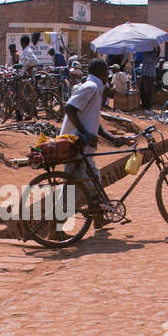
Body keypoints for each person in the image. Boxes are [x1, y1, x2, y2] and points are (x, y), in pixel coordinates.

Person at [59, 58, 135, 227]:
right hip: (76, 146)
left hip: (85, 149)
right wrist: (85, 133)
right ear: (102, 73)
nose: (108, 77)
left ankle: (98, 218)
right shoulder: (91, 87)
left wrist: (112, 138)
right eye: (106, 73)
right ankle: (55, 227)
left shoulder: (94, 90)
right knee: (72, 189)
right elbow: (70, 109)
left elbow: (94, 123)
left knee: (95, 181)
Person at [138, 44, 159, 111]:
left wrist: (156, 44)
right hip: (144, 74)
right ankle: (144, 104)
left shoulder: (154, 55)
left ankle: (148, 106)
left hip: (150, 76)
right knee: (142, 90)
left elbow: (159, 51)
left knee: (148, 92)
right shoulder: (145, 54)